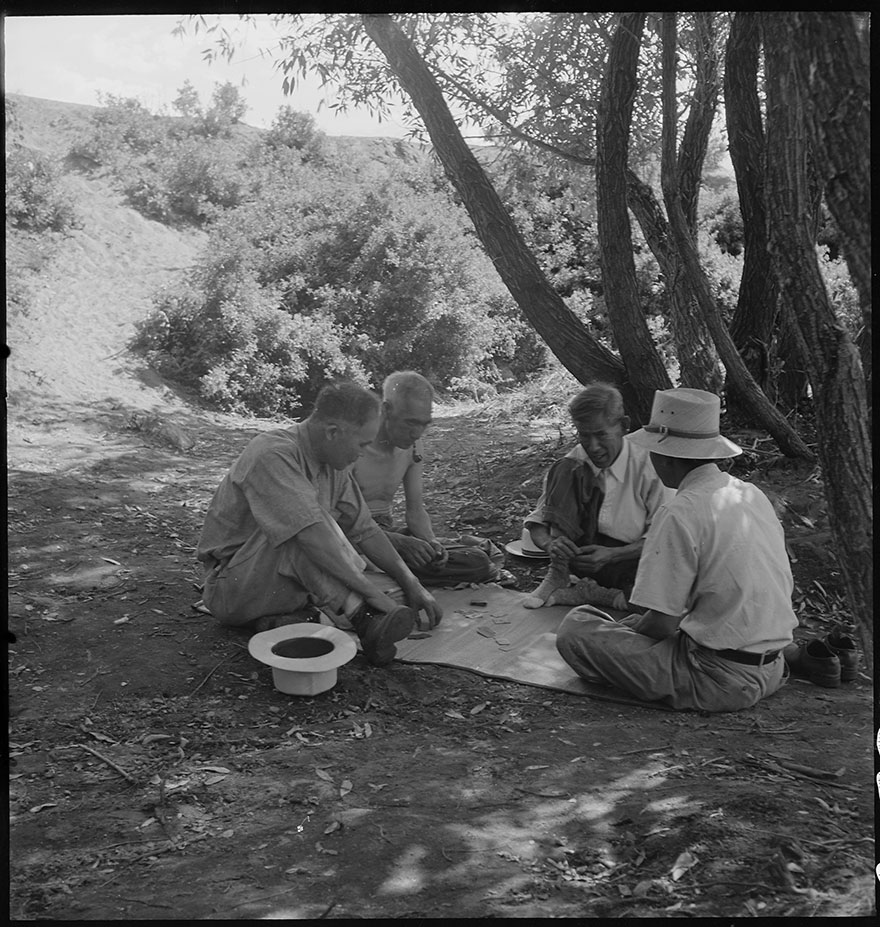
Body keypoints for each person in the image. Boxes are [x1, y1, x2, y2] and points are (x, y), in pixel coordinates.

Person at [556, 387, 797, 712]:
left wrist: (628, 632)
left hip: (718, 678)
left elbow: (661, 627)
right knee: (622, 624)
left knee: (575, 629)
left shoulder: (680, 511)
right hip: (773, 667)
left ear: (665, 455)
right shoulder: (750, 493)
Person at [197, 381, 442, 667]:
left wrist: (411, 582)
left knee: (388, 584)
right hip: (231, 590)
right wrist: (374, 596)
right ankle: (364, 617)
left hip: (277, 586)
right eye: (361, 443)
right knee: (303, 530)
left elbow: (365, 530)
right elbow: (309, 536)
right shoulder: (272, 453)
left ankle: (311, 618)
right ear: (332, 432)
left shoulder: (332, 464)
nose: (362, 453)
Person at [522, 383, 673, 610]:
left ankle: (596, 594)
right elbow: (537, 523)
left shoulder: (650, 467)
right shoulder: (574, 462)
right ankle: (559, 574)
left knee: (659, 606)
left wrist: (613, 555)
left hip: (630, 561)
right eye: (584, 435)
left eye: (601, 435)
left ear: (623, 426)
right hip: (581, 557)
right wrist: (551, 545)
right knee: (566, 468)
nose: (593, 447)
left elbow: (663, 540)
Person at [354, 371, 502, 584]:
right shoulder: (355, 446)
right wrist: (396, 542)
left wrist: (430, 542)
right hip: (356, 538)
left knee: (476, 557)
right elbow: (335, 521)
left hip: (389, 533)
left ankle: (390, 573)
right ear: (386, 410)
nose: (417, 433)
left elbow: (415, 510)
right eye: (411, 423)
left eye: (424, 424)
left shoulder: (413, 446)